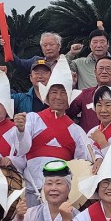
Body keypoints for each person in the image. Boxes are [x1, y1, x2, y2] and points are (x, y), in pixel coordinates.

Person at [21, 57, 91, 198]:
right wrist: (20, 130)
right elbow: (22, 148)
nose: (58, 97)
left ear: (69, 98)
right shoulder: (32, 119)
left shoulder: (76, 130)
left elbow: (83, 163)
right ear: (46, 96)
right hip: (31, 187)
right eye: (54, 92)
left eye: (63, 92)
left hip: (61, 193)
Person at [67, 55, 111, 130]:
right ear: (95, 72)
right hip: (89, 139)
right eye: (101, 69)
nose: (104, 72)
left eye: (108, 69)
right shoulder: (85, 94)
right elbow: (68, 112)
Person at [86, 86, 111, 160]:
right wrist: (98, 158)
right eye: (99, 105)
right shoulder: (92, 131)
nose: (103, 110)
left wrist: (103, 143)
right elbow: (86, 156)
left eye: (108, 105)